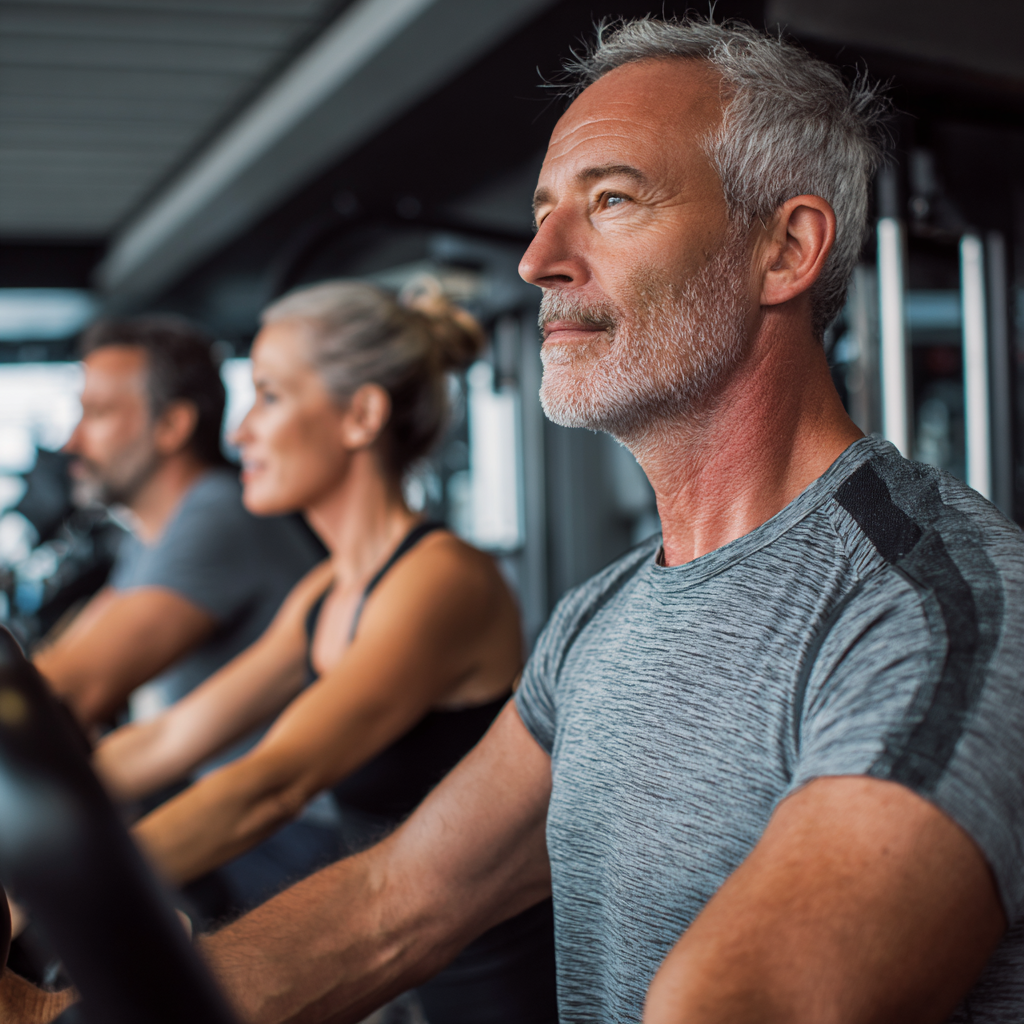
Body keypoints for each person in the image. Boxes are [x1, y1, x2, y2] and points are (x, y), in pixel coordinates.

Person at [7, 16, 1024, 1024]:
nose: (538, 257)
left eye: (610, 199)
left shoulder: (940, 614)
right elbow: (393, 903)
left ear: (786, 248)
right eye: (543, 212)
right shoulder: (601, 615)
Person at [90, 280, 558, 1021]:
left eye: (269, 396)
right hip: (396, 969)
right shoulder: (325, 592)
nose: (240, 432)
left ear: (361, 416)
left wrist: (53, 896)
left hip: (493, 983)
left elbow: (272, 785)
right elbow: (169, 738)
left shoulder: (437, 581)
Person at [34, 317, 322, 731]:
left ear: (172, 426)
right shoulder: (151, 533)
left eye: (97, 413)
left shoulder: (216, 514)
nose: (71, 443)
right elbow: (56, 663)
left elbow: (70, 692)